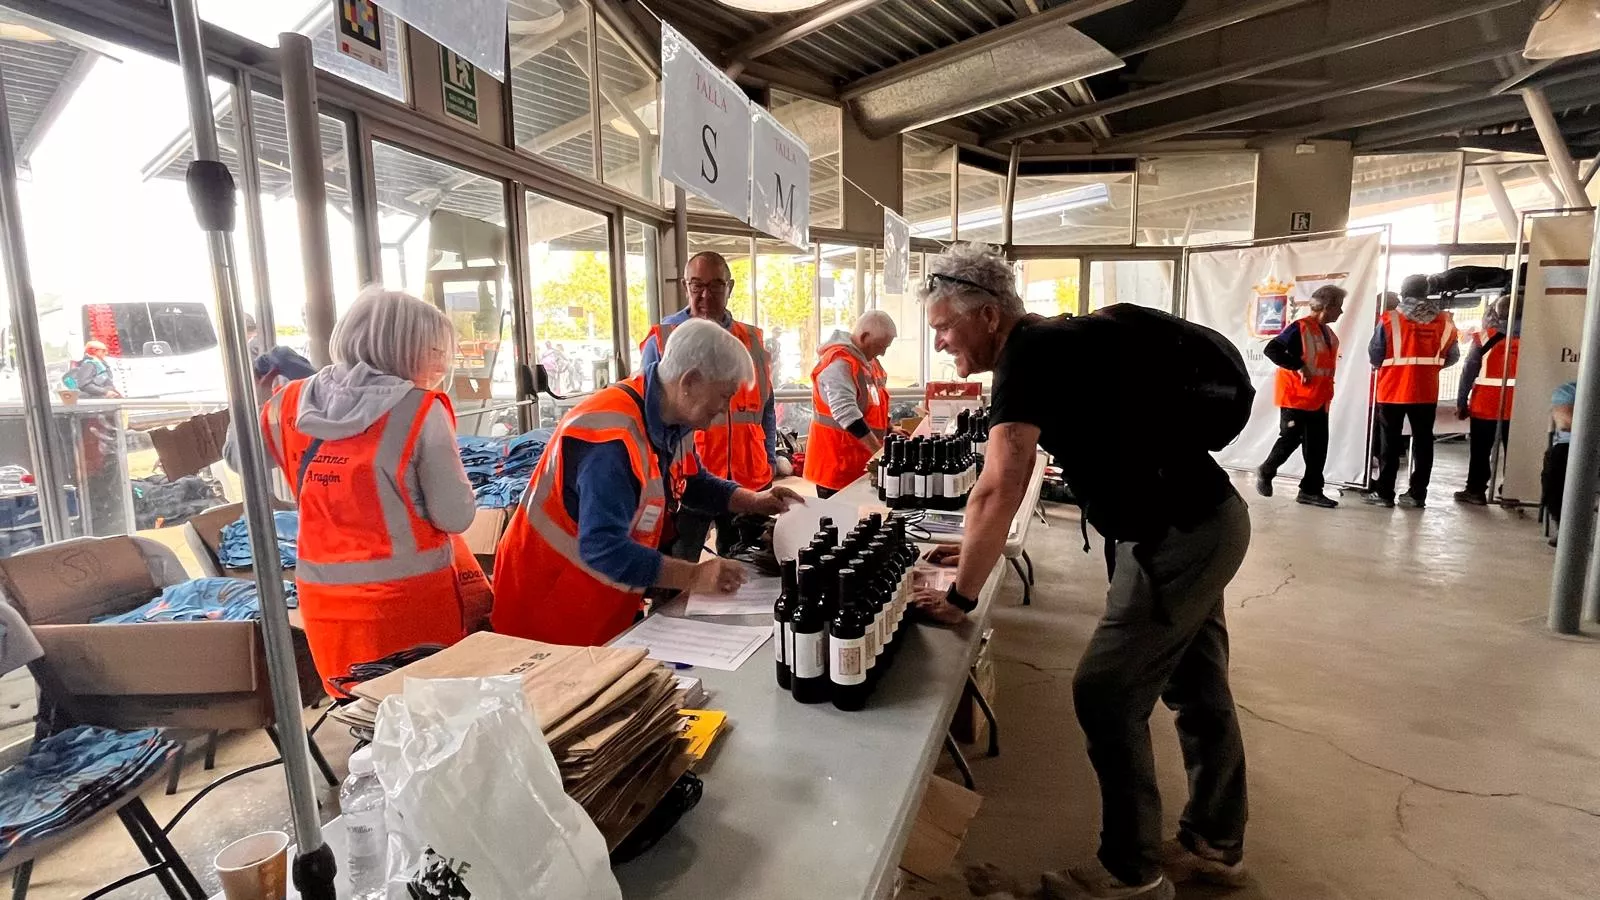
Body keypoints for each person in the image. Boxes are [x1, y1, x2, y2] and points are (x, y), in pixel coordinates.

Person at [909, 244, 1249, 900]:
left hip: (1174, 536)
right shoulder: (1052, 341)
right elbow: (1016, 466)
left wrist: (963, 591)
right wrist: (973, 547)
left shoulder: (1028, 353)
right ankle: (1215, 843)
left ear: (986, 316)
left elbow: (1002, 477)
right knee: (1197, 684)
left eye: (944, 329)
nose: (942, 342)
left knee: (1105, 691)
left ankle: (1130, 871)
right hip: (1205, 520)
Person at [493, 320, 802, 645]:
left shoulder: (674, 416)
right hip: (548, 617)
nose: (724, 408)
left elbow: (693, 483)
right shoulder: (611, 441)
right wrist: (694, 575)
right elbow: (603, 548)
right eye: (724, 395)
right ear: (691, 381)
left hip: (599, 603)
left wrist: (754, 501)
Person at [260, 287, 491, 691]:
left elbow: (236, 457)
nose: (441, 362)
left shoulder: (287, 403)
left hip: (324, 602)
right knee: (423, 717)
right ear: (407, 349)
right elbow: (454, 515)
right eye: (436, 350)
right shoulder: (420, 407)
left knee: (358, 707)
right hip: (408, 605)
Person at [641, 251, 778, 556]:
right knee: (679, 561)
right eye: (696, 285)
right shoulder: (664, 340)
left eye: (715, 286)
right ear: (684, 286)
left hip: (742, 476)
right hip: (687, 481)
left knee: (746, 564)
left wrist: (768, 461)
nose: (705, 295)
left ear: (730, 287)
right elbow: (651, 417)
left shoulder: (752, 340)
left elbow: (766, 407)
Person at [1361, 274, 1459, 509]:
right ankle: (1417, 494)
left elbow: (1375, 354)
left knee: (1389, 445)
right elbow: (1453, 356)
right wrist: (1428, 369)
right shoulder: (1445, 321)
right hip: (1426, 391)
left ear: (1403, 292)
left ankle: (1384, 493)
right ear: (1426, 292)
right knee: (1424, 443)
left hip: (1393, 389)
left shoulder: (1389, 319)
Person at [1255, 285, 1345, 508]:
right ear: (1327, 306)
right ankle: (1266, 470)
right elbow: (1272, 350)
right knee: (1290, 440)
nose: (1341, 312)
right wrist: (1299, 366)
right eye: (1338, 307)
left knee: (1317, 447)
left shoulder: (1329, 334)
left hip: (1319, 399)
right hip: (1296, 398)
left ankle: (1311, 491)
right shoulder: (1300, 328)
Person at [804, 311, 897, 499]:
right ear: (864, 337)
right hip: (837, 468)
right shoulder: (839, 364)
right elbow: (846, 413)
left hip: (859, 466)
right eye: (880, 346)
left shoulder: (868, 363)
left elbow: (874, 403)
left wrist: (889, 429)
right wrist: (879, 453)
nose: (883, 353)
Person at [1454, 296, 1519, 506]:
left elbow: (1469, 371)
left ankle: (1475, 490)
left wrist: (1461, 401)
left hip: (1486, 404)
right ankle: (1512, 492)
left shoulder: (1483, 337)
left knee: (1480, 450)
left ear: (1497, 313)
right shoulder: (1536, 340)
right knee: (1517, 450)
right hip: (1519, 405)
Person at [1542, 380, 1577, 533]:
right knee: (1555, 468)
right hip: (1572, 446)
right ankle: (1563, 527)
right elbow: (1567, 423)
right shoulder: (1568, 391)